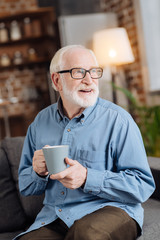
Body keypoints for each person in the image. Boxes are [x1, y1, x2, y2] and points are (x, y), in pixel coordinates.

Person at [15, 45, 155, 240]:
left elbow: (142, 185)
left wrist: (87, 177)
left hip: (110, 209)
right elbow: (26, 186)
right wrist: (38, 172)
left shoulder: (119, 121)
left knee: (86, 234)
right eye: (79, 72)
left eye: (94, 72)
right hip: (56, 216)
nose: (89, 80)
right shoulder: (40, 123)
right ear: (57, 80)